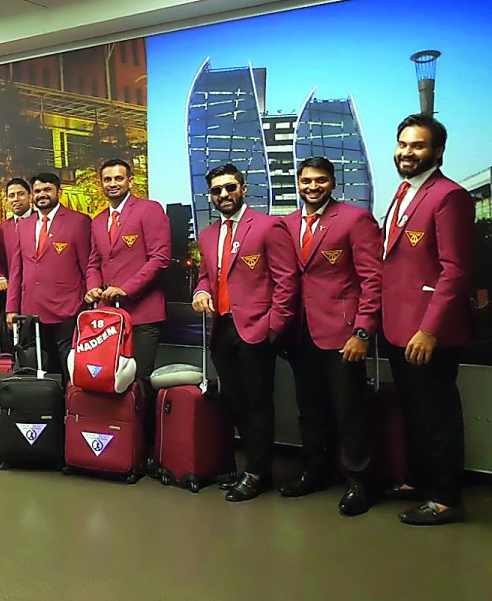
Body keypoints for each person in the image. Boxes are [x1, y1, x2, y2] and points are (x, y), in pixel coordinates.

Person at [380, 114, 474, 526]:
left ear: (437, 151)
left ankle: (446, 498)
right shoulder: (403, 192)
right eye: (403, 144)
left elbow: (455, 270)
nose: (406, 152)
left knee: (437, 416)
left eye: (417, 145)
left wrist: (429, 329)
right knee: (414, 411)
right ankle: (418, 480)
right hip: (397, 327)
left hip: (426, 331)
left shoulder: (448, 196)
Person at [280, 157, 382, 516]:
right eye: (306, 180)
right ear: (298, 182)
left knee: (350, 409)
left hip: (343, 333)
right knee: (310, 409)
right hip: (300, 332)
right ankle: (315, 470)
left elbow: (372, 280)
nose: (312, 187)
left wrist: (362, 331)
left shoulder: (355, 219)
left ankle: (359, 481)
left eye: (320, 181)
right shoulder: (288, 224)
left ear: (333, 182)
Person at [191, 164, 299, 502]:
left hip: (256, 330)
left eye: (229, 187)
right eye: (217, 190)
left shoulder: (268, 226)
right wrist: (200, 292)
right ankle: (252, 467)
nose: (224, 194)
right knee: (235, 402)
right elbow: (207, 276)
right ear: (210, 195)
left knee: (257, 404)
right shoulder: (207, 234)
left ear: (243, 189)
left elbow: (287, 281)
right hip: (222, 329)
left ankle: (256, 473)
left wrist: (274, 326)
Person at [83, 159, 170, 446]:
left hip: (143, 314)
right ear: (101, 183)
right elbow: (94, 262)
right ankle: (117, 442)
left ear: (130, 181)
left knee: (140, 382)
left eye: (119, 178)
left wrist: (126, 289)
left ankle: (144, 446)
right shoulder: (97, 221)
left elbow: (160, 259)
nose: (113, 184)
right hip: (108, 318)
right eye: (107, 179)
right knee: (109, 379)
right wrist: (94, 288)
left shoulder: (149, 210)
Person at [5, 172, 92, 378]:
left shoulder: (78, 221)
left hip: (67, 309)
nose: (42, 195)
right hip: (32, 310)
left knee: (69, 367)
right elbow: (17, 270)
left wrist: (88, 305)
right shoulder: (24, 225)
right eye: (37, 191)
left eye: (47, 190)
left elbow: (87, 265)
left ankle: (71, 407)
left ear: (58, 192)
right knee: (40, 368)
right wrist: (11, 308)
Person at [0, 178, 32, 353]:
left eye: (20, 194)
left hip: (36, 291)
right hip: (11, 292)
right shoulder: (1, 229)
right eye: (11, 196)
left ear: (30, 196)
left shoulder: (40, 223)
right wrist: (0, 275)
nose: (16, 199)